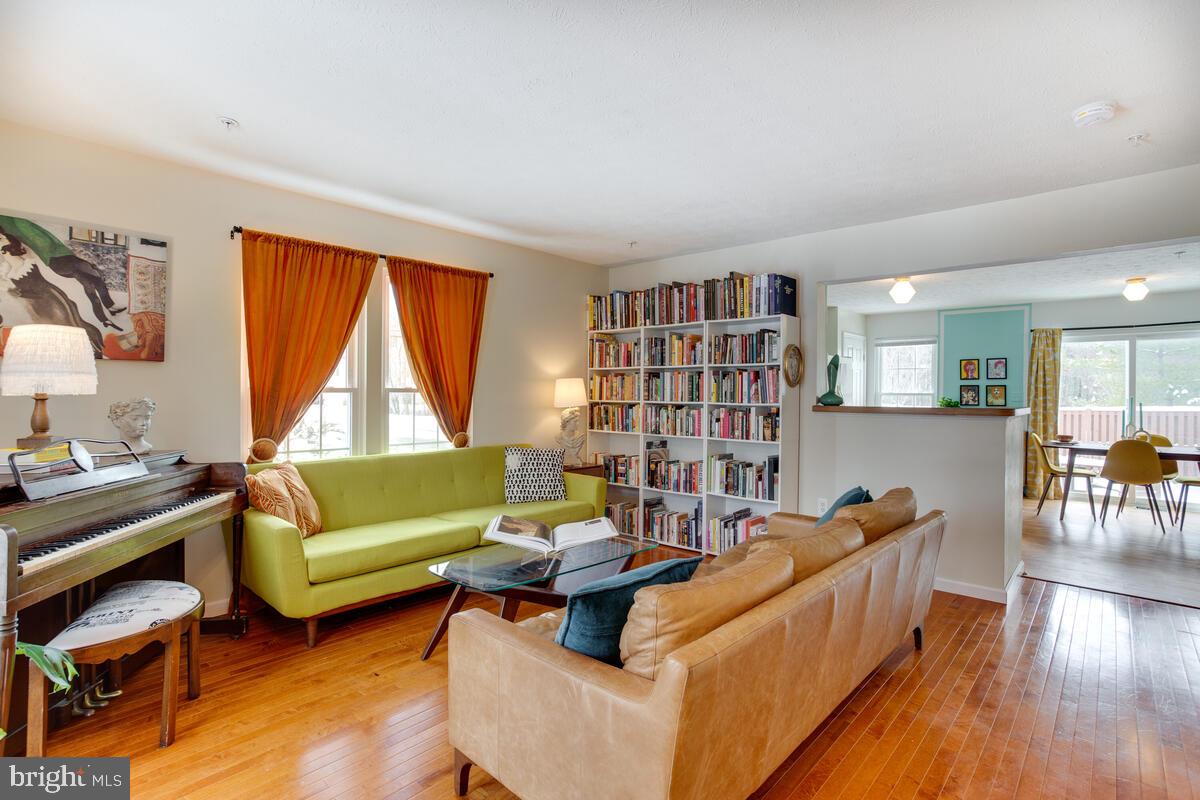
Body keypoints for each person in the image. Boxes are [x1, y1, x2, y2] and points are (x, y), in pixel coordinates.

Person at [0, 215, 125, 331]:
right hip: (60, 260)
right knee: (95, 277)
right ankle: (109, 308)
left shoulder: (21, 244)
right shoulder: (23, 233)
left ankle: (104, 318)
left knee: (89, 285)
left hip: (57, 264)